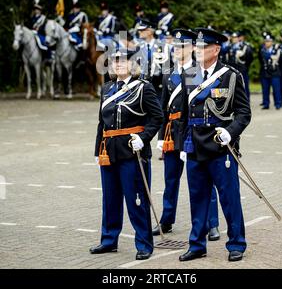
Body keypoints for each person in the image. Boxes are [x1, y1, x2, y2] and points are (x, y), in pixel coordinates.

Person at [179, 27, 251, 262]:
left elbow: (243, 112)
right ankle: (197, 244)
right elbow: (183, 114)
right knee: (197, 197)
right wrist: (181, 145)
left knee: (229, 197)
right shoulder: (189, 73)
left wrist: (230, 133)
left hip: (221, 146)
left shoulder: (231, 75)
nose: (198, 51)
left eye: (203, 47)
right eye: (197, 47)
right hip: (194, 146)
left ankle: (236, 243)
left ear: (216, 49)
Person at [90, 48, 163, 261]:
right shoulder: (107, 88)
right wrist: (97, 150)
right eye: (115, 61)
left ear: (132, 65)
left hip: (133, 151)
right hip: (109, 150)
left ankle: (144, 243)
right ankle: (109, 240)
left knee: (136, 198)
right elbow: (101, 123)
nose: (118, 64)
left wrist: (144, 138)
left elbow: (157, 117)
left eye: (123, 61)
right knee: (110, 198)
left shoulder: (144, 88)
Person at [152, 28, 220, 241]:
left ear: (192, 48)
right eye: (175, 46)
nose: (177, 50)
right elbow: (163, 109)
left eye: (182, 46)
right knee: (170, 179)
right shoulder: (168, 73)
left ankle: (212, 223)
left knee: (203, 180)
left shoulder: (200, 72)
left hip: (192, 133)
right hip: (173, 134)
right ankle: (166, 219)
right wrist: (161, 137)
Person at [137, 18, 172, 97]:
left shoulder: (162, 46)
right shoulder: (138, 47)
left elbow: (167, 68)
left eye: (142, 30)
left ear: (150, 31)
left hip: (158, 87)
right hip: (141, 88)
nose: (139, 32)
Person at [258, 33, 282, 110]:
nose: (267, 43)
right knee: (265, 89)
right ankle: (266, 104)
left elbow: (280, 61)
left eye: (269, 41)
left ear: (272, 42)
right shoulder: (262, 49)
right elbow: (261, 59)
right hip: (265, 72)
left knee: (276, 89)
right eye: (266, 41)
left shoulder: (277, 49)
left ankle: (278, 104)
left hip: (275, 72)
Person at [228, 31, 253, 100]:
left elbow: (249, 58)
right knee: (233, 86)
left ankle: (246, 100)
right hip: (233, 69)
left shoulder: (244, 47)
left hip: (242, 69)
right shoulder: (230, 46)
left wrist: (245, 67)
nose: (234, 39)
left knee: (244, 85)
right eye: (233, 38)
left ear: (239, 38)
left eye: (235, 37)